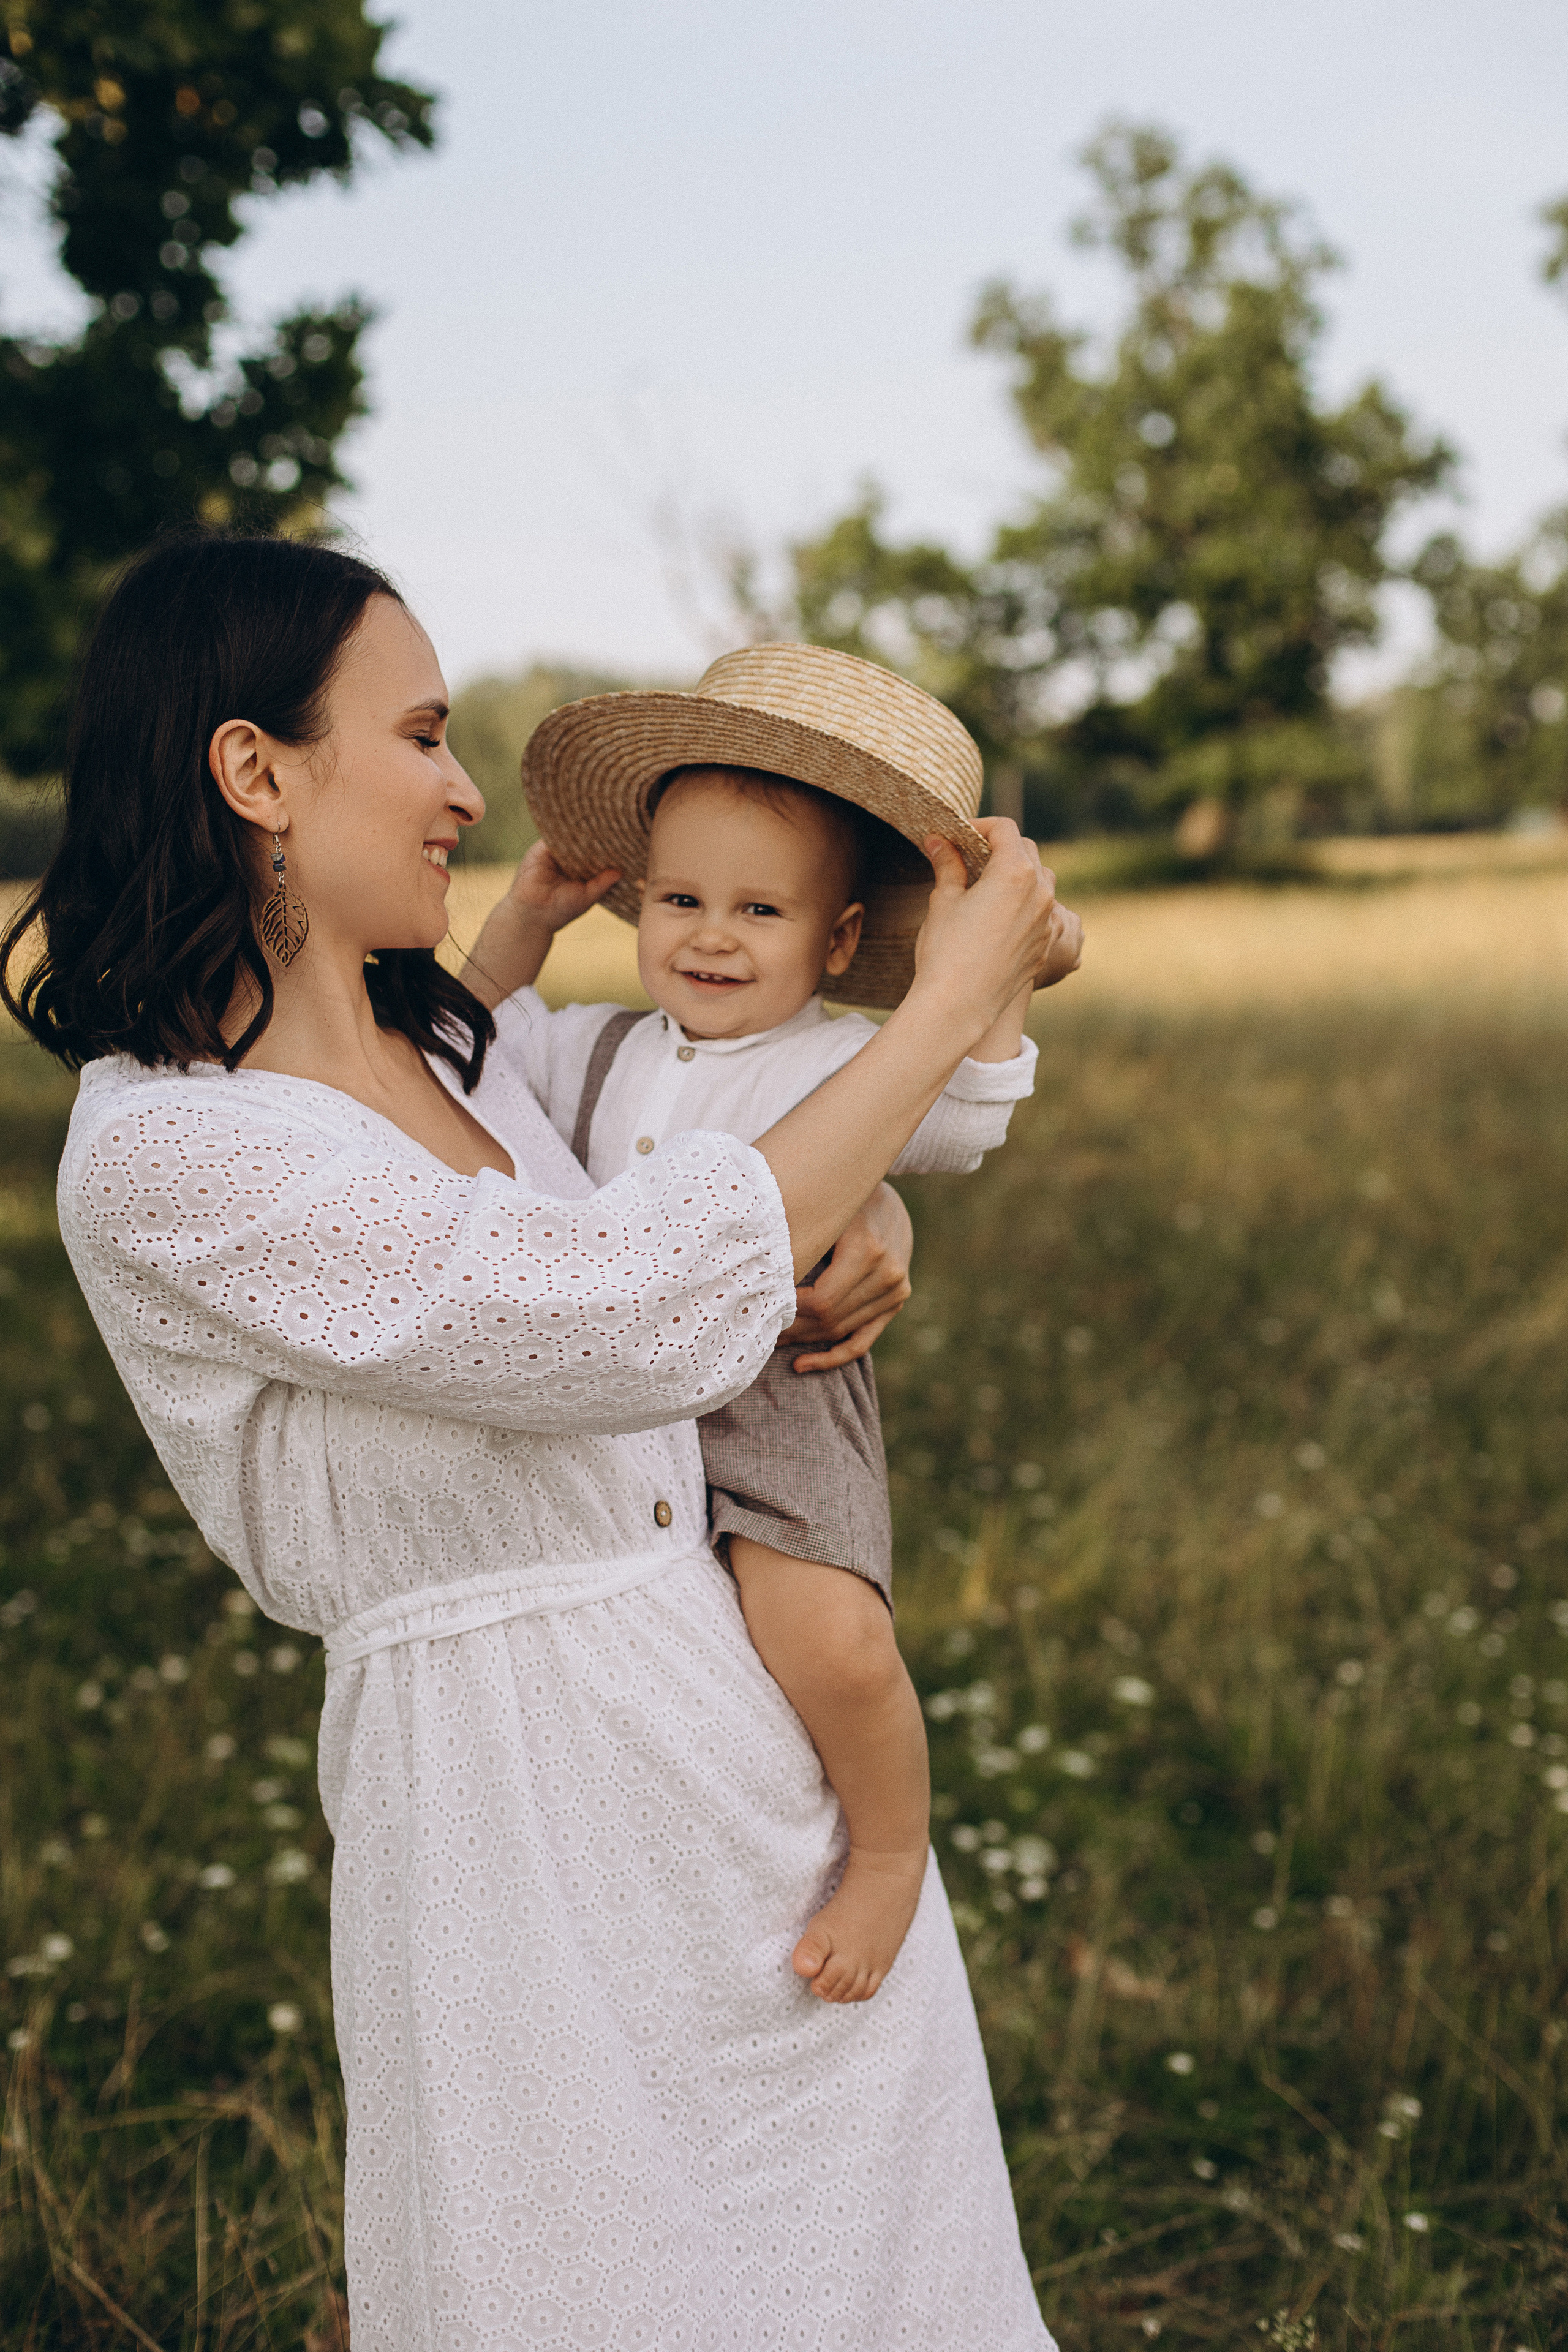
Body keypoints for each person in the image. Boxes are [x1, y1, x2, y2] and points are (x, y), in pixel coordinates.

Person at [1, 529, 1063, 2352]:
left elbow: (691, 1160)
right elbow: (617, 1308)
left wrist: (869, 1212)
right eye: (418, 735)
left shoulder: (461, 1045)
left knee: (860, 2252)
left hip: (729, 1728)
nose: (466, 787)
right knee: (576, 2271)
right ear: (255, 772)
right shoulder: (177, 1151)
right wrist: (945, 1012)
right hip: (509, 1797)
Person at [457, 645, 1082, 2008]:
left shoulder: (840, 1059)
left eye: (758, 907)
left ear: (841, 940)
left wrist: (1003, 970)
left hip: (771, 1384)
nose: (711, 935)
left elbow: (967, 1121)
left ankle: (891, 1848)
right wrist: (525, 911)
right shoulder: (594, 1044)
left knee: (830, 1643)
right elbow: (466, 1041)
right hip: (609, 1396)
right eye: (678, 898)